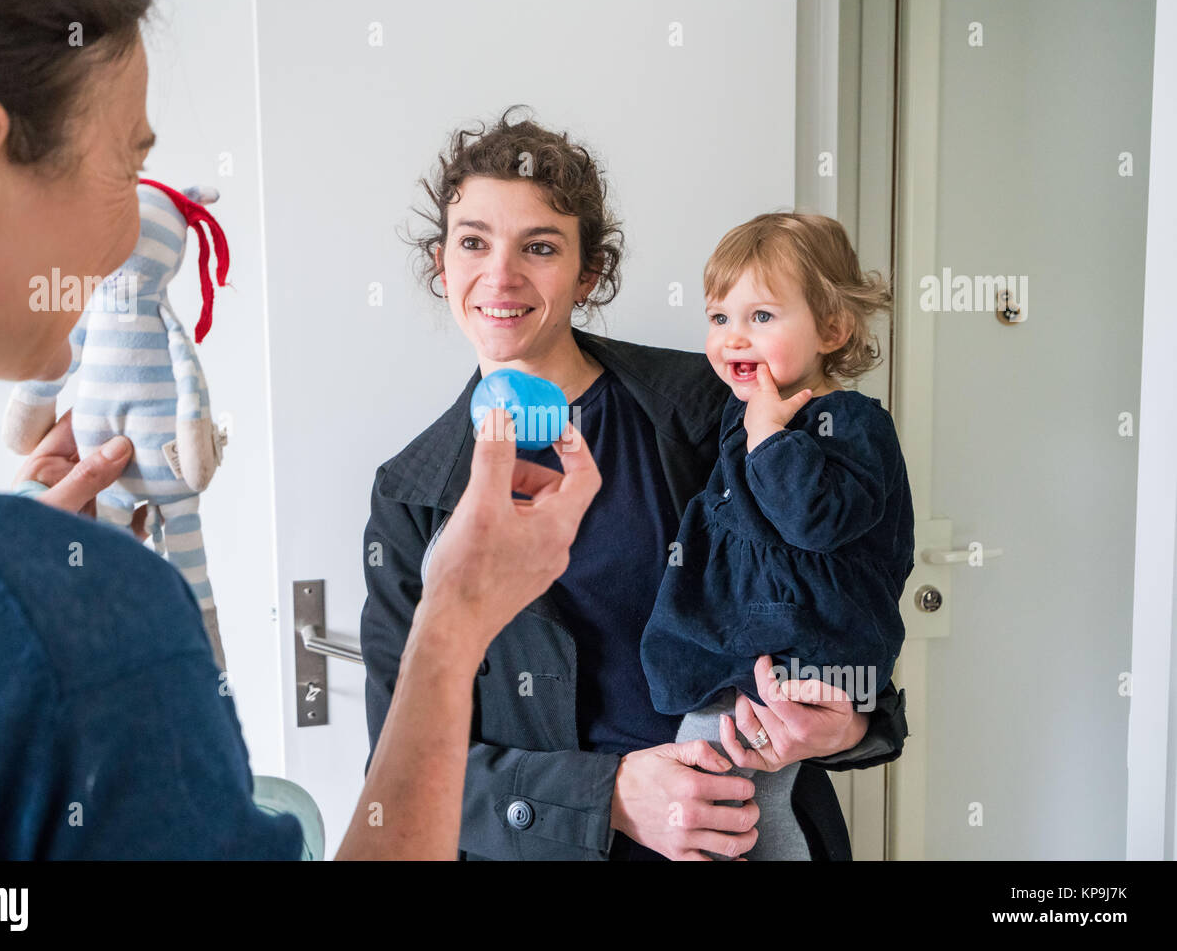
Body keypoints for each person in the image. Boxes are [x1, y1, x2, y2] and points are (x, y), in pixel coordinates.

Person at [0, 0, 598, 860]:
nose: (137, 233)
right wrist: (450, 625)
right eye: (130, 164)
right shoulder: (84, 610)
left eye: (542, 245)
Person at [360, 107, 909, 862]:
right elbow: (397, 781)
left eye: (540, 246)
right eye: (473, 242)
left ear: (589, 272)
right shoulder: (410, 496)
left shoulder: (716, 405)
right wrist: (608, 796)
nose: (501, 275)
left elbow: (849, 583)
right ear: (441, 262)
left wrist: (845, 722)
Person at [640, 212, 915, 860]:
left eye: (761, 316)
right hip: (751, 650)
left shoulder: (849, 421)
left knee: (713, 793)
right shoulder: (743, 416)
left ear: (833, 328)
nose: (735, 336)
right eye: (718, 317)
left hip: (796, 652)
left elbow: (811, 518)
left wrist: (767, 434)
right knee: (744, 799)